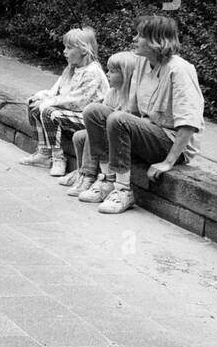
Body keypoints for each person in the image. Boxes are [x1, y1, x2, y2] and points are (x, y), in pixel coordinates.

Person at [77, 16, 204, 214]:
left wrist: (168, 162)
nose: (135, 39)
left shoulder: (180, 70)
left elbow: (189, 122)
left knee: (117, 119)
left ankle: (123, 190)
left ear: (157, 41)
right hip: (147, 132)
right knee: (93, 111)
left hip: (170, 142)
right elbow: (132, 111)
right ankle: (107, 180)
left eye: (140, 35)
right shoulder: (142, 63)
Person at [19, 27, 108, 176]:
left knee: (49, 112)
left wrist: (48, 103)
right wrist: (39, 97)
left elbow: (77, 101)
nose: (64, 52)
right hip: (72, 112)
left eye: (69, 48)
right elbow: (56, 91)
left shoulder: (93, 72)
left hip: (89, 118)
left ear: (84, 51)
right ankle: (44, 151)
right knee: (35, 106)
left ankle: (58, 158)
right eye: (65, 47)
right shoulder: (71, 69)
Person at [59, 50, 138, 195]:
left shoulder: (133, 97)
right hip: (107, 137)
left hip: (120, 140)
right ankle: (81, 172)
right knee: (79, 136)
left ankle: (89, 176)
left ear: (126, 76)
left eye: (112, 71)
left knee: (89, 137)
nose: (107, 74)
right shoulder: (112, 93)